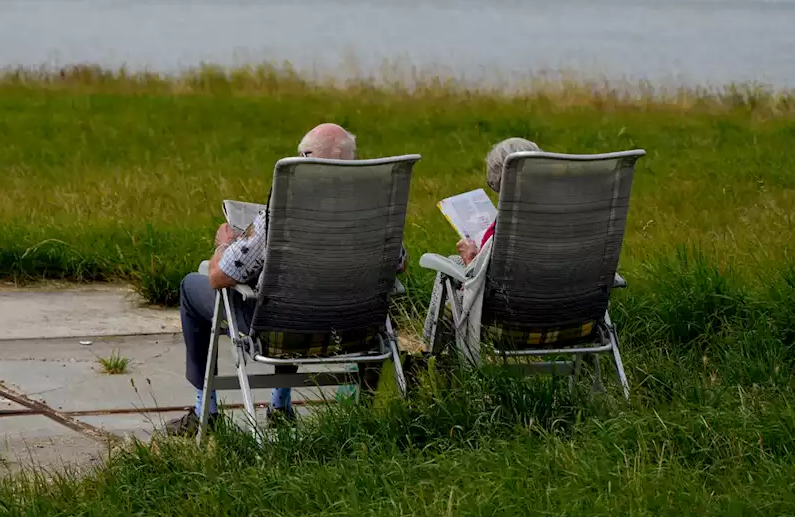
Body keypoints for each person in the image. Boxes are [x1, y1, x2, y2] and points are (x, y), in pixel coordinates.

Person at [165, 123, 407, 437]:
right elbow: (399, 262)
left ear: (306, 159)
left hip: (281, 330)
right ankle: (282, 406)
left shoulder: (278, 219)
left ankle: (205, 412)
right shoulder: (375, 216)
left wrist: (225, 242)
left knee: (192, 285)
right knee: (295, 289)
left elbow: (219, 275)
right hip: (355, 330)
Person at [422, 137, 540, 355]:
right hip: (572, 315)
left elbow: (489, 279)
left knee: (450, 273)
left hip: (507, 318)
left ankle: (428, 352)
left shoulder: (506, 227)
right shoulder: (569, 218)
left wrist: (472, 259)